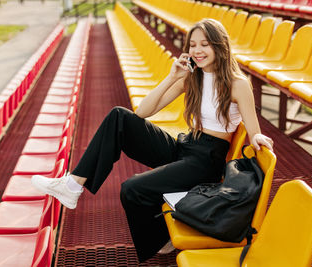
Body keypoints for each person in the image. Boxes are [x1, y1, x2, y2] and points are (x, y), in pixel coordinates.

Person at [31, 18, 273, 262]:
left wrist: (258, 137)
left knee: (132, 189)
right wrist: (172, 77)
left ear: (220, 46)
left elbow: (253, 130)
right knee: (120, 117)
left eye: (205, 45)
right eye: (193, 45)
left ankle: (159, 238)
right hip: (185, 145)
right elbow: (143, 112)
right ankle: (73, 185)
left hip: (206, 161)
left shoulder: (237, 84)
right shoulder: (192, 78)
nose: (197, 51)